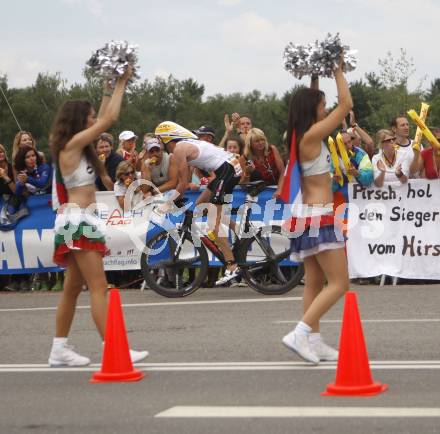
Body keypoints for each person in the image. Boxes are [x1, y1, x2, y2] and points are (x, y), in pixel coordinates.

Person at [48, 68, 147, 367]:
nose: (94, 121)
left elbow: (103, 116)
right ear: (80, 121)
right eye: (89, 117)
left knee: (72, 288)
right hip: (78, 220)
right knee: (99, 287)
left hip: (79, 220)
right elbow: (109, 120)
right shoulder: (71, 146)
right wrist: (121, 82)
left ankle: (58, 349)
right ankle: (113, 347)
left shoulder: (80, 145)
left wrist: (107, 89)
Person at [281, 56, 353, 364]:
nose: (326, 109)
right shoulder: (311, 136)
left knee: (313, 281)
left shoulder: (299, 135)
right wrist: (337, 68)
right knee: (340, 283)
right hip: (319, 216)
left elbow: (314, 103)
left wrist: (314, 76)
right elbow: (346, 104)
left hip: (307, 215)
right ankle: (299, 332)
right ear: (313, 110)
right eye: (322, 105)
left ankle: (314, 340)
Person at [155, 121, 243, 285]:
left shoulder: (179, 149)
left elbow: (181, 185)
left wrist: (166, 205)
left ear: (167, 138)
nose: (158, 143)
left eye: (159, 139)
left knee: (212, 222)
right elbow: (185, 181)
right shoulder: (184, 147)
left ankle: (232, 266)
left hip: (227, 170)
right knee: (200, 206)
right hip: (225, 170)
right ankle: (240, 230)